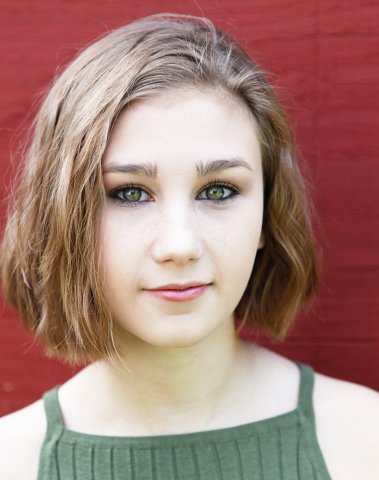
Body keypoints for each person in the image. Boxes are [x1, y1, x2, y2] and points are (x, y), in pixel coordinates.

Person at [0, 12, 378, 480]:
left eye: (218, 190)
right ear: (65, 218)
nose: (179, 245)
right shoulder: (11, 461)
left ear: (267, 214)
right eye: (129, 192)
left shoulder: (365, 442)